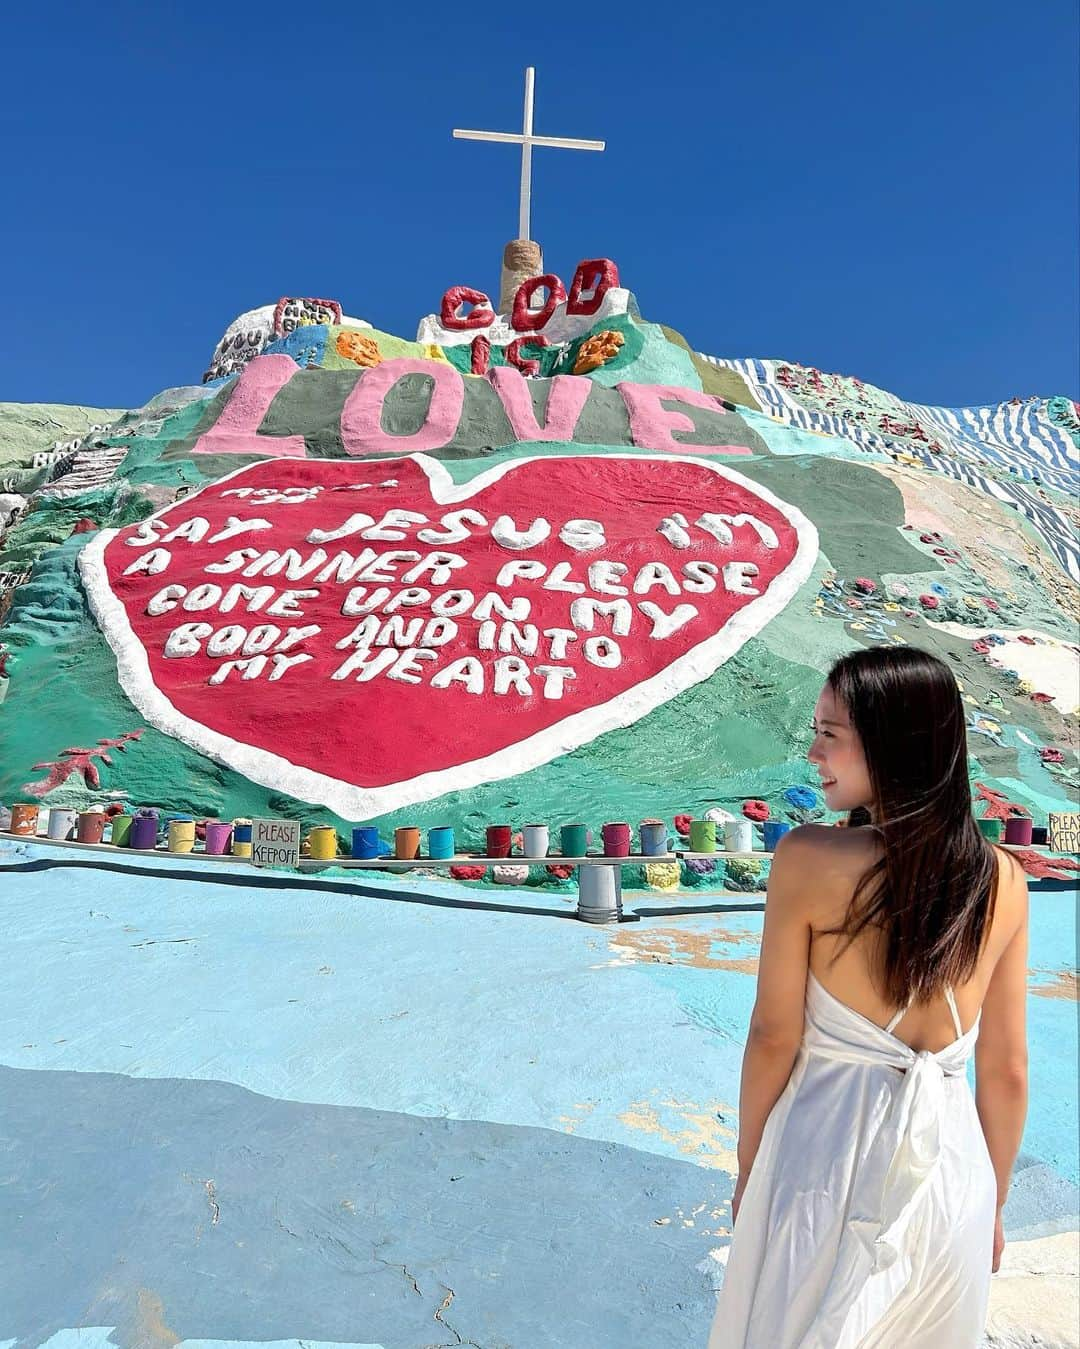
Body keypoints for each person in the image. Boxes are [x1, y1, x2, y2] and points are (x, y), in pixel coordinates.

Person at [708, 645, 1029, 1348]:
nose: (813, 751)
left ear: (892, 743)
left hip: (828, 1158)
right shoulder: (1004, 881)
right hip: (954, 1176)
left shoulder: (809, 860)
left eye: (830, 733)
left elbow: (772, 1037)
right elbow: (1005, 1071)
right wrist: (992, 1207)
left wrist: (750, 1169)